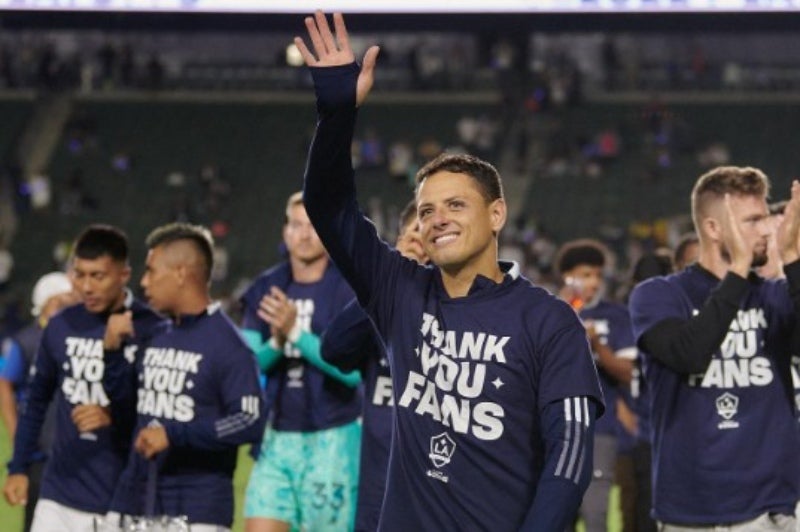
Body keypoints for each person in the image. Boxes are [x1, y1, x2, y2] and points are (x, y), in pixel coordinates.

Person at [295, 12, 604, 530]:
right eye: (428, 209)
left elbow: (569, 455)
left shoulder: (549, 321)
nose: (438, 219)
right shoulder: (399, 290)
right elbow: (329, 208)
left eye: (456, 206)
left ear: (497, 214)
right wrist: (336, 117)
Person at [629, 166, 800, 530]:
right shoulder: (659, 295)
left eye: (766, 217)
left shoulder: (772, 295)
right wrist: (737, 270)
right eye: (753, 220)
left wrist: (794, 259)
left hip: (769, 510)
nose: (767, 229)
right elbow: (689, 354)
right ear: (713, 228)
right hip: (691, 510)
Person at [103, 222, 264, 531]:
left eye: (151, 271)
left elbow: (249, 419)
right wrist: (111, 353)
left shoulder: (229, 346)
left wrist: (174, 434)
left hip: (196, 511)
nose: (144, 282)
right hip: (134, 502)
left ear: (180, 273)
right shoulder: (154, 334)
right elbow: (126, 408)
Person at [3, 224, 164, 530]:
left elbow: (162, 412)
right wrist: (19, 466)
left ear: (123, 275)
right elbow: (36, 400)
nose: (86, 287)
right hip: (58, 492)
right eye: (79, 275)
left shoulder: (151, 328)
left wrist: (114, 414)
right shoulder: (62, 325)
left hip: (120, 496)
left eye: (97, 276)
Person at [241, 191, 361, 532]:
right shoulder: (265, 287)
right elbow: (248, 367)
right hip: (276, 438)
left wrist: (296, 333)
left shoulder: (347, 289)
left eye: (313, 226)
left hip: (334, 438)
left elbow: (352, 373)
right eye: (296, 225)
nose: (305, 234)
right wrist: (277, 342)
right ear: (285, 232)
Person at [320, 200, 427, 532]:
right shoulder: (380, 312)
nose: (423, 245)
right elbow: (333, 349)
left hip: (438, 501)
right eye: (416, 233)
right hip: (377, 500)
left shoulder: (466, 311)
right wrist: (388, 280)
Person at [555, 239, 635, 532]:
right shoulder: (545, 312)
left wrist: (597, 344)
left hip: (599, 428)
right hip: (554, 430)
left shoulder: (615, 316)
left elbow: (627, 372)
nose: (595, 282)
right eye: (587, 274)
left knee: (596, 514)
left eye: (598, 275)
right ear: (568, 276)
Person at [0, 272, 77, 532]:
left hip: (73, 449)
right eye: (61, 301)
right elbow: (4, 382)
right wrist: (17, 434)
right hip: (40, 452)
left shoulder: (78, 338)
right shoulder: (26, 341)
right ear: (45, 303)